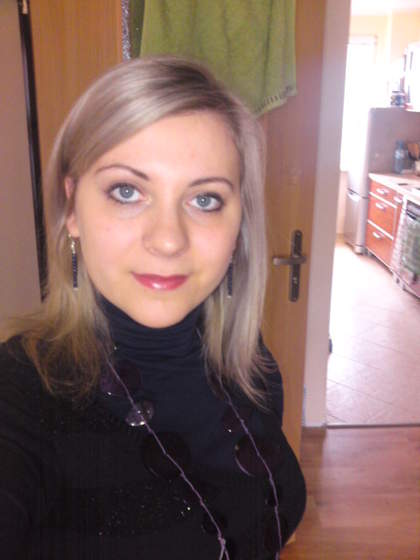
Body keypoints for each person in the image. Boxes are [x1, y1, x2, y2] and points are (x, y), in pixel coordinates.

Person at [0, 56, 306, 559]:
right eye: (127, 192)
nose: (168, 240)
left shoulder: (249, 365)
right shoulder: (22, 395)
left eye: (205, 200)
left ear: (238, 225)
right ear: (72, 208)